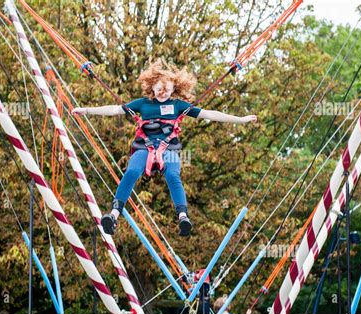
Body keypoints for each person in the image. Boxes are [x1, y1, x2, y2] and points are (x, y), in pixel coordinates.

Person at [72, 59, 257, 237]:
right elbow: (114, 110)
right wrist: (87, 110)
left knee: (172, 175)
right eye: (160, 89)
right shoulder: (142, 104)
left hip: (168, 148)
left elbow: (209, 114)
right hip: (144, 147)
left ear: (173, 90)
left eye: (167, 90)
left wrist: (240, 120)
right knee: (132, 171)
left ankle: (183, 216)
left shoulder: (178, 106)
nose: (163, 93)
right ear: (152, 86)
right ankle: (113, 215)